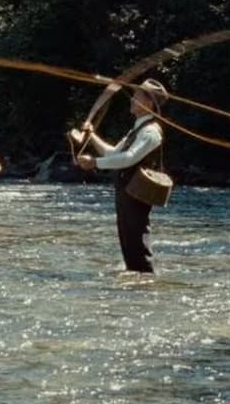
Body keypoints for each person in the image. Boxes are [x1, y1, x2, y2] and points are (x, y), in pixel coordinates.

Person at [70, 79, 169, 273]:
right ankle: (137, 280)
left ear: (148, 104)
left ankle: (145, 280)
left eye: (137, 96)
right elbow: (114, 153)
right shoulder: (137, 129)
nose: (132, 99)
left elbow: (128, 159)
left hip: (137, 193)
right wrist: (91, 136)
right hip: (127, 190)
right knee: (127, 240)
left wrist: (94, 163)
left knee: (136, 240)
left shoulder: (151, 132)